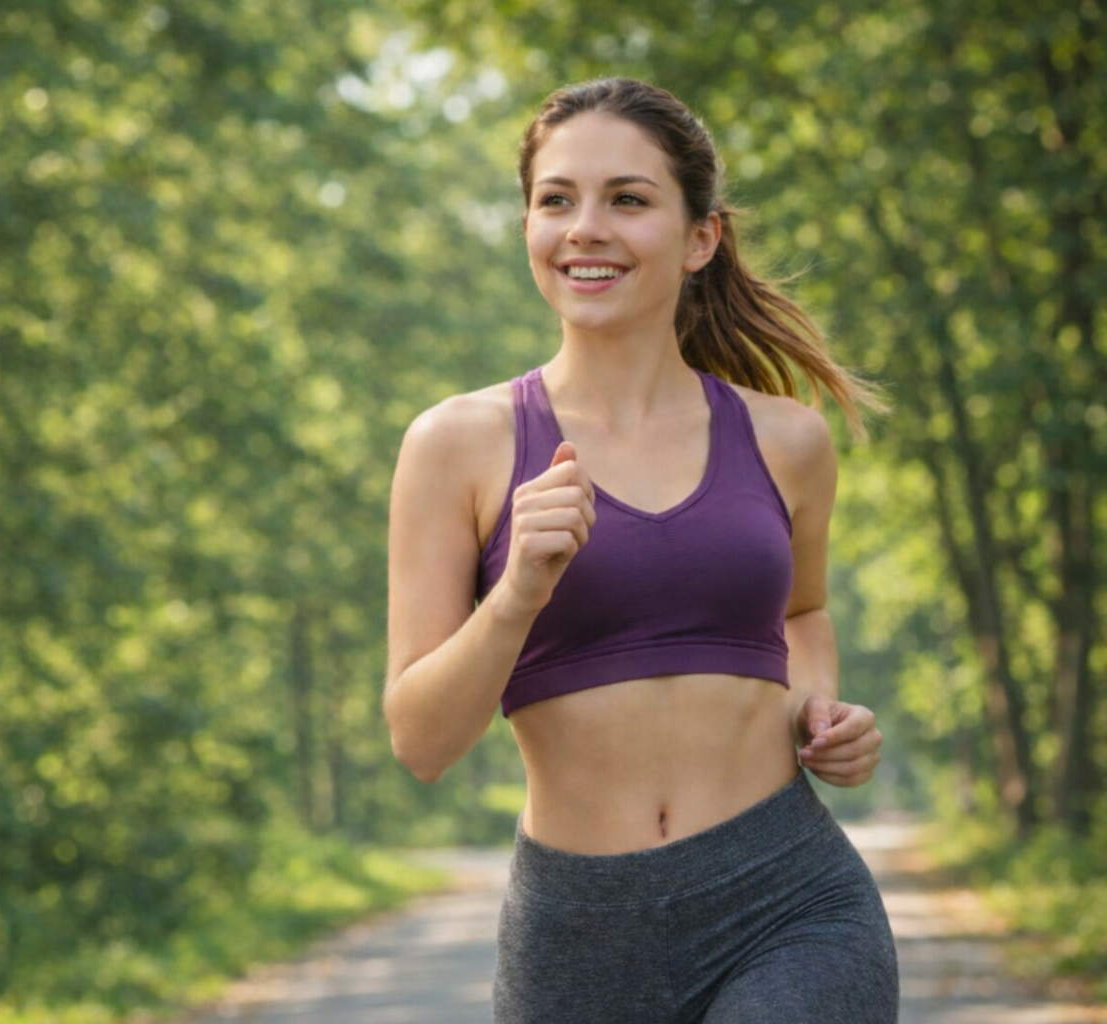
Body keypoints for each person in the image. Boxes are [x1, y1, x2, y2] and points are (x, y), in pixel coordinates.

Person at [384, 78, 900, 1023]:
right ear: (528, 226)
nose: (585, 227)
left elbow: (801, 614)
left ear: (700, 237)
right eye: (555, 199)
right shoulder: (457, 445)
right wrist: (517, 595)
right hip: (577, 930)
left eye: (627, 199)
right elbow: (421, 741)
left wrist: (819, 711)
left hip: (787, 899)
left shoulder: (786, 440)